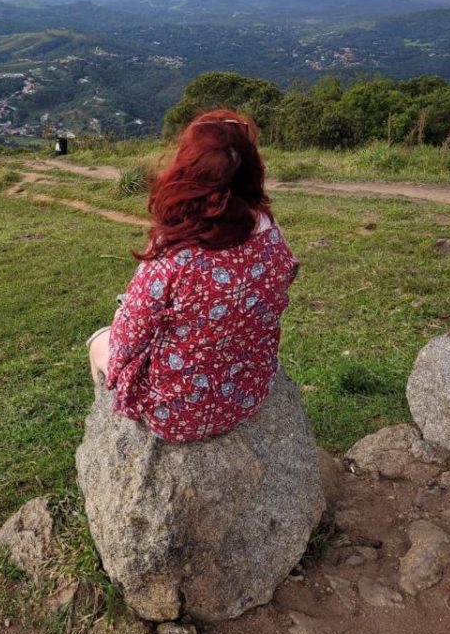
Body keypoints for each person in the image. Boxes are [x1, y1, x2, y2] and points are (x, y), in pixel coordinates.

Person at [88, 109, 299, 443]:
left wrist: (118, 320)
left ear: (186, 173)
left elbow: (127, 344)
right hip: (248, 393)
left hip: (175, 414)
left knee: (101, 339)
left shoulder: (173, 254)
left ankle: (107, 438)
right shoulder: (272, 235)